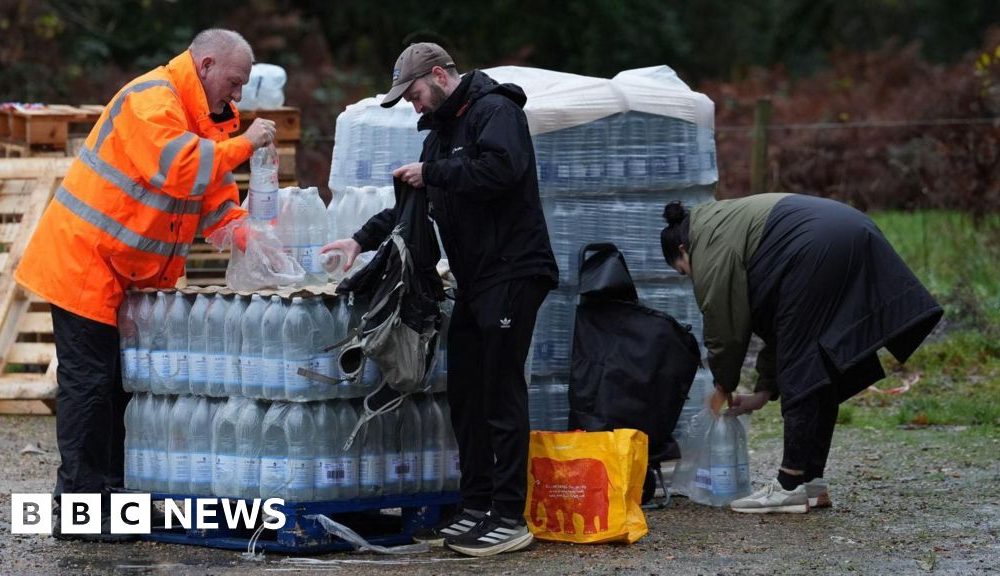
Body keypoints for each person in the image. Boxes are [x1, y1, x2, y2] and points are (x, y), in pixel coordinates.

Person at [14, 29, 276, 541]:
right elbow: (179, 169)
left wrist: (243, 229)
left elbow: (213, 191)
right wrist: (245, 146)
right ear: (204, 65)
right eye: (235, 82)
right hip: (86, 263)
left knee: (120, 389)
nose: (238, 95)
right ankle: (79, 508)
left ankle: (110, 498)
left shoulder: (211, 117)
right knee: (90, 388)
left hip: (128, 274)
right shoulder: (150, 101)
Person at [324, 42, 558, 556]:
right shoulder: (441, 132)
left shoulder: (496, 110)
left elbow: (502, 170)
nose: (412, 104)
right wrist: (358, 241)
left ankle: (509, 516)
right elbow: (412, 206)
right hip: (475, 279)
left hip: (514, 271)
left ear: (438, 75)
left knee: (499, 390)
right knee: (467, 393)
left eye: (413, 93)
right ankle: (474, 505)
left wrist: (434, 173)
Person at [660, 192, 942, 513]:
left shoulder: (706, 244)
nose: (690, 277)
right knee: (820, 363)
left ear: (683, 250)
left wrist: (723, 385)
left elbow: (725, 327)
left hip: (818, 243)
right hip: (851, 229)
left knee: (802, 368)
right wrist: (764, 391)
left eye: (683, 270)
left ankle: (789, 484)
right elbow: (781, 327)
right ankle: (812, 482)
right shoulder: (723, 223)